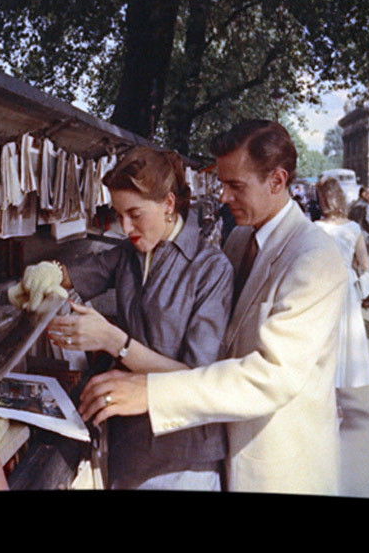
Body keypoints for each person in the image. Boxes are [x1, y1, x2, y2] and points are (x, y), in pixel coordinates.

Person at [78, 120, 347, 494]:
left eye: (236, 185)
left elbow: (271, 377)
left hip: (277, 465)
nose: (223, 196)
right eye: (222, 183)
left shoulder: (314, 258)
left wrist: (151, 391)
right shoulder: (240, 239)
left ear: (277, 180)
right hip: (224, 448)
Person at [45, 146, 234, 490]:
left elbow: (199, 378)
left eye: (134, 214)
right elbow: (78, 272)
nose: (125, 227)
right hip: (131, 443)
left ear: (168, 204)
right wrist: (49, 273)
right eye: (119, 215)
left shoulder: (210, 268)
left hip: (181, 454)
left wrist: (113, 341)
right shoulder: (131, 252)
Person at [316, 177, 369, 393]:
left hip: (322, 283)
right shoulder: (353, 228)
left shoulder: (315, 227)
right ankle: (340, 385)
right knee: (345, 333)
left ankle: (324, 382)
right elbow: (364, 263)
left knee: (323, 333)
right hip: (346, 283)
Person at [348, 185, 369, 307]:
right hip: (366, 242)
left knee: (357, 270)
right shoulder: (365, 207)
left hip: (353, 240)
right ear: (363, 194)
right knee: (366, 271)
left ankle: (357, 296)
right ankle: (367, 299)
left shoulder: (353, 205)